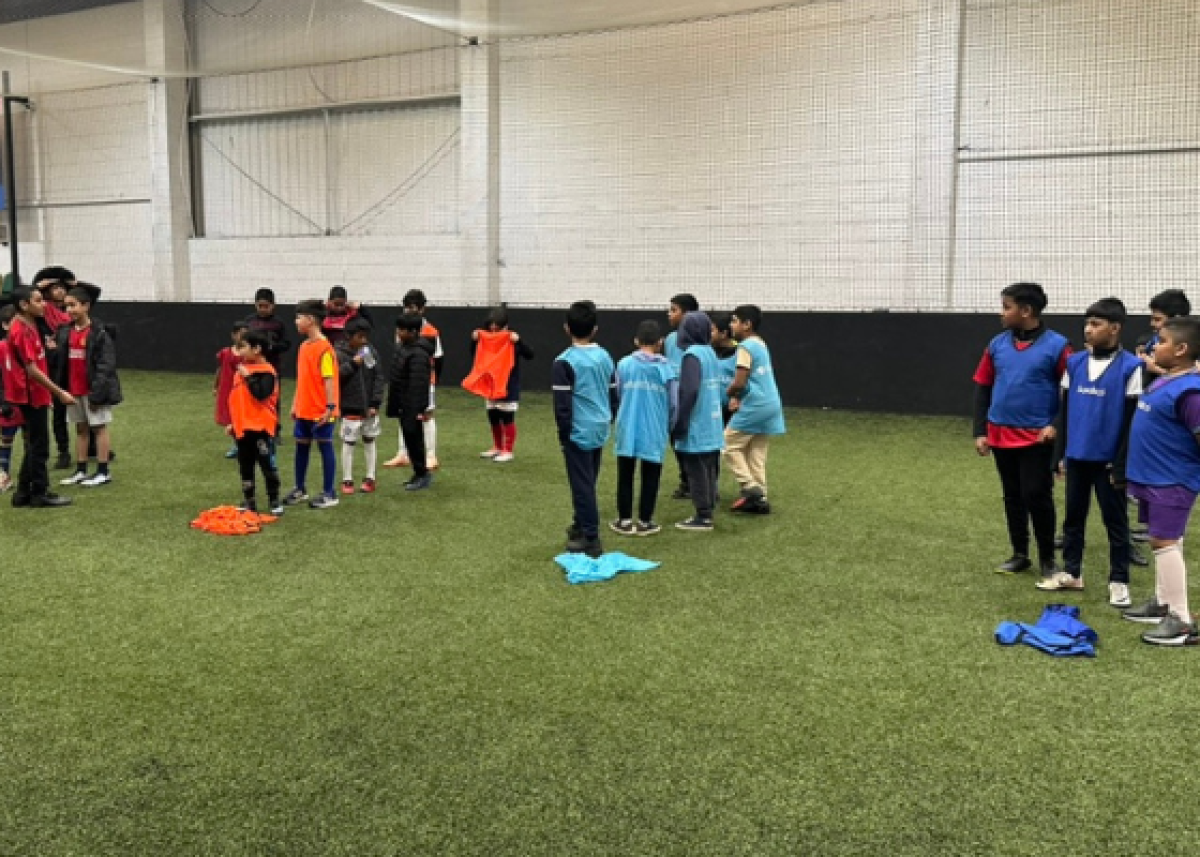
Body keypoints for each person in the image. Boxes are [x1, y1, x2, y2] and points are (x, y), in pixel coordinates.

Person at [1038, 298, 1141, 606]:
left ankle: (1119, 580)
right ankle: (1072, 572)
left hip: (1109, 462)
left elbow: (1132, 422)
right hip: (1077, 458)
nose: (1088, 329)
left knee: (1116, 522)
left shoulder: (1131, 367)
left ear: (1115, 328)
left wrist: (1121, 465)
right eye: (1087, 323)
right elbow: (1065, 411)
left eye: (1096, 324)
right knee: (1073, 519)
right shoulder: (1075, 363)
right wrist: (1059, 456)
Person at [973, 282, 1070, 577]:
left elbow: (1070, 392)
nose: (1002, 313)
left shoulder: (1058, 346)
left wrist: (1055, 426)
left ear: (1026, 310)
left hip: (1037, 437)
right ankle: (1019, 554)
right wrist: (980, 430)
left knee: (1036, 494)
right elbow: (983, 387)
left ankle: (1047, 559)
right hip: (1000, 434)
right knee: (1012, 495)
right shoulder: (996, 345)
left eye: (1007, 307)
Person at [1121, 316, 1200, 646]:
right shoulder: (1165, 379)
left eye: (1162, 340)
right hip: (1152, 478)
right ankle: (1162, 603)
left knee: (1163, 542)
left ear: (1181, 349)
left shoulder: (1192, 392)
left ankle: (1181, 620)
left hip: (1173, 481)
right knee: (1164, 539)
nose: (1155, 345)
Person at [2, 287, 76, 507]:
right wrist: (59, 392)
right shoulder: (22, 330)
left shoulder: (28, 324)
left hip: (31, 393)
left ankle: (23, 492)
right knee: (39, 445)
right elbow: (32, 370)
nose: (44, 304)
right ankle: (40, 493)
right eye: (38, 300)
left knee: (34, 444)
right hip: (31, 394)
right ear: (24, 305)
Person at [554, 301, 617, 557]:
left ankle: (591, 538)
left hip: (578, 431)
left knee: (582, 486)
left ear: (566, 328)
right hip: (601, 427)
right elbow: (614, 394)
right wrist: (608, 417)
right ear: (595, 329)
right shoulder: (605, 356)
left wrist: (563, 433)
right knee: (589, 479)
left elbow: (562, 406)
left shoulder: (563, 362)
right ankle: (580, 525)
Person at [610, 319, 677, 536]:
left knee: (625, 473)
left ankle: (625, 520)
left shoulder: (624, 364)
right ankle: (645, 521)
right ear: (660, 342)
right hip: (655, 428)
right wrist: (671, 424)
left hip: (627, 425)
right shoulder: (667, 368)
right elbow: (674, 402)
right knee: (651, 475)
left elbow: (617, 393)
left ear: (636, 341)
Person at [54, 286, 122, 488]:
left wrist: (97, 395)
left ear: (86, 306)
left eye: (73, 305)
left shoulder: (99, 333)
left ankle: (103, 471)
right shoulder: (65, 332)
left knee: (99, 428)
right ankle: (81, 470)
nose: (69, 310)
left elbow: (106, 366)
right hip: (73, 391)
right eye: (67, 306)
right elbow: (63, 362)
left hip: (92, 391)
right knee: (80, 429)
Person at [724, 304, 786, 515]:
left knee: (728, 443)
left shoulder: (745, 347)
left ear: (746, 324)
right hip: (772, 403)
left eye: (734, 321)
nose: (731, 325)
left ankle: (751, 489)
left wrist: (730, 393)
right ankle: (761, 499)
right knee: (756, 452)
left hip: (757, 404)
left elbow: (740, 382)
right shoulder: (760, 343)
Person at [283, 299, 341, 509]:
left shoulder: (324, 348)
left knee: (325, 447)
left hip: (321, 410)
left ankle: (330, 493)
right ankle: (300, 488)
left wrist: (330, 407)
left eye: (299, 317)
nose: (296, 321)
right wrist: (295, 404)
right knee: (301, 447)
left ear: (310, 320)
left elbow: (329, 380)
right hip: (304, 409)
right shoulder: (303, 347)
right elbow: (303, 379)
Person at [671, 311, 725, 531]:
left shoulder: (692, 355)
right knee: (709, 465)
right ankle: (709, 506)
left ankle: (703, 515)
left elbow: (690, 391)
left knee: (696, 468)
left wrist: (681, 421)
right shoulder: (710, 352)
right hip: (712, 420)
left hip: (697, 420)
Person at [464, 306, 534, 463]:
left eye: (497, 326)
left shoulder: (512, 339)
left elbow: (530, 354)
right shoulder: (486, 337)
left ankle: (508, 450)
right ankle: (497, 446)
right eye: (491, 325)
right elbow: (474, 354)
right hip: (491, 384)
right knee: (493, 416)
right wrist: (474, 340)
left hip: (508, 384)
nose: (493, 329)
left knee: (507, 417)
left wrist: (519, 341)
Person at [225, 330, 282, 514]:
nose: (239, 351)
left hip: (260, 428)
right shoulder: (241, 370)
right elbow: (237, 399)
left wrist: (248, 376)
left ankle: (274, 500)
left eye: (243, 347)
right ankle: (250, 501)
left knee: (267, 465)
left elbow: (260, 394)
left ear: (257, 349)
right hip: (243, 428)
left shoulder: (267, 372)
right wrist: (233, 423)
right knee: (245, 466)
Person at [385, 289, 443, 470]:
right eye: (406, 308)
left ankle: (431, 455)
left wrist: (433, 380)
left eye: (412, 308)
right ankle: (403, 453)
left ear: (422, 309)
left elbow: (439, 358)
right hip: (405, 380)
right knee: (404, 415)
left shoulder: (431, 331)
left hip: (423, 379)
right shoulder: (401, 328)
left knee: (426, 415)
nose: (409, 312)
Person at [336, 316, 385, 494]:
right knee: (349, 441)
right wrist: (352, 365)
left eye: (366, 337)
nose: (364, 341)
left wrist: (375, 402)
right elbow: (336, 377)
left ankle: (370, 477)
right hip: (349, 406)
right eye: (360, 337)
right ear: (348, 336)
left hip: (369, 407)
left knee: (369, 439)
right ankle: (347, 480)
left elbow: (379, 376)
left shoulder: (369, 351)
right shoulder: (338, 353)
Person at [385, 313, 434, 491]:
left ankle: (423, 474)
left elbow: (419, 384)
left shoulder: (419, 353)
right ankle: (418, 472)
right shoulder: (403, 348)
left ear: (413, 332)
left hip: (412, 405)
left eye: (402, 330)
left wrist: (417, 408)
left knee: (415, 438)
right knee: (409, 438)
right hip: (403, 403)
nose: (398, 333)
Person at [34, 267, 75, 469]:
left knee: (86, 407)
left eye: (62, 288)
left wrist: (73, 283)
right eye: (55, 288)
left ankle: (93, 446)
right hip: (55, 367)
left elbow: (91, 294)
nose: (59, 291)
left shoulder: (72, 310)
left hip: (75, 365)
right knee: (59, 412)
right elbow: (27, 297)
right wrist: (38, 285)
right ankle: (63, 452)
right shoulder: (42, 311)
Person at [243, 287, 291, 439]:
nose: (263, 309)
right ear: (255, 305)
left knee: (272, 399)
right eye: (260, 306)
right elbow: (243, 342)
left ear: (273, 306)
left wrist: (272, 347)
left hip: (272, 367)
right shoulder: (249, 321)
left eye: (266, 306)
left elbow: (287, 344)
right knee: (250, 397)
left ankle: (274, 430)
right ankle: (250, 427)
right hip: (251, 367)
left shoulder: (278, 323)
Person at [665, 293, 699, 501]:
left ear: (687, 315)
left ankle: (704, 483)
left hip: (692, 397)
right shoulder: (669, 339)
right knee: (676, 439)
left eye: (674, 310)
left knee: (696, 441)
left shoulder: (700, 342)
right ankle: (686, 480)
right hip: (674, 398)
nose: (669, 314)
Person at [1137, 288, 1190, 384]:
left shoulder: (1194, 347)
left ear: (1177, 319)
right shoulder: (1147, 343)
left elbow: (1192, 380)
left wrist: (1156, 369)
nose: (1152, 324)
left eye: (1157, 319)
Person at [214, 321, 248, 458]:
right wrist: (216, 386)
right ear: (234, 335)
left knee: (241, 417)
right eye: (241, 334)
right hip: (226, 389)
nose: (243, 337)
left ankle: (244, 444)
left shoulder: (248, 354)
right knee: (229, 418)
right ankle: (237, 444)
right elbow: (220, 369)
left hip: (242, 390)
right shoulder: (225, 353)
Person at [0, 305, 24, 493]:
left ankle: (29, 477)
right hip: (9, 402)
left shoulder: (27, 344)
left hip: (29, 401)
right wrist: (3, 401)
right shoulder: (2, 347)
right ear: (5, 325)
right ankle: (3, 475)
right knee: (6, 438)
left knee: (32, 439)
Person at [710, 311, 739, 426]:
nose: (707, 334)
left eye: (712, 330)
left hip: (732, 411)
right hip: (711, 410)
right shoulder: (706, 352)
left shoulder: (740, 353)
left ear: (723, 334)